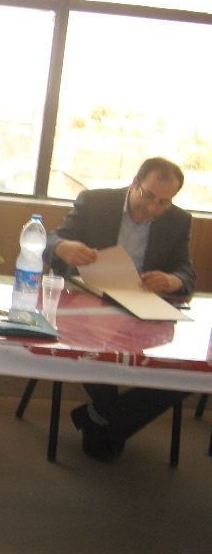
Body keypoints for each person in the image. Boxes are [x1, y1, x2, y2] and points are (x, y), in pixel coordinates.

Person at [44, 156, 196, 461]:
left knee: (190, 371)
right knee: (91, 347)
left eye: (163, 202)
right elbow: (50, 241)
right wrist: (63, 247)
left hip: (141, 309)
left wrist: (171, 280)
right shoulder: (95, 202)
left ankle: (99, 418)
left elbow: (186, 272)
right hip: (87, 303)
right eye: (148, 196)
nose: (152, 207)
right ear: (134, 183)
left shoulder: (179, 220)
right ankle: (106, 423)